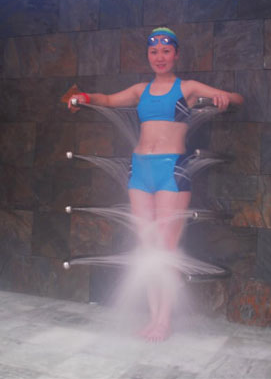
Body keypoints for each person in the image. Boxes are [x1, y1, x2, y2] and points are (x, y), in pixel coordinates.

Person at [68, 27, 244, 341]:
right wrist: (84, 98)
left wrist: (223, 98)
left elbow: (237, 98)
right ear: (148, 55)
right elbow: (108, 99)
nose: (159, 57)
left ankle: (164, 319)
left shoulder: (188, 87)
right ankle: (153, 317)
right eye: (153, 52)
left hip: (172, 170)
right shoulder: (141, 90)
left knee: (166, 247)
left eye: (165, 51)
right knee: (147, 246)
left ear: (176, 54)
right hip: (140, 170)